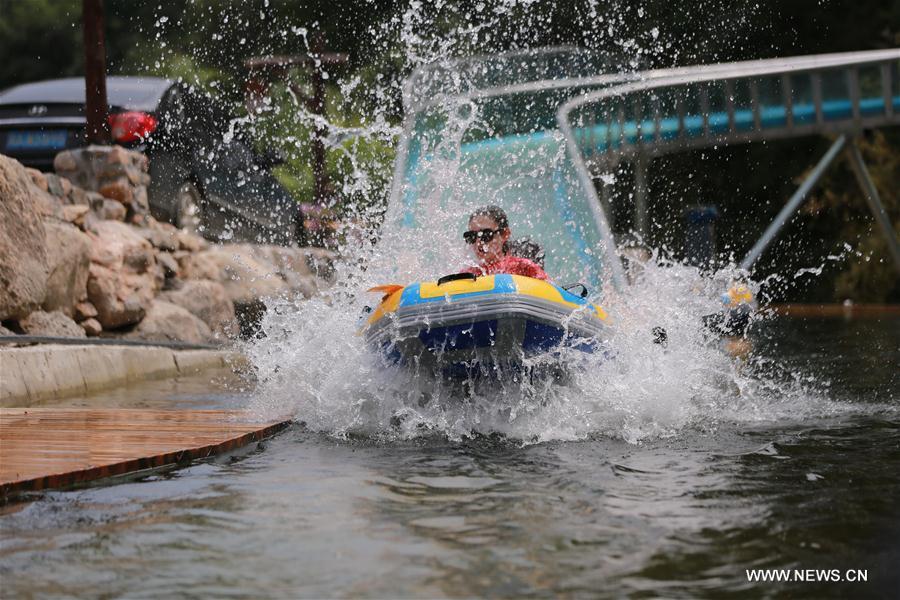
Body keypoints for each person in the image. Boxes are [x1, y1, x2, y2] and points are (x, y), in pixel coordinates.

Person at [461, 205, 549, 281]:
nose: (478, 243)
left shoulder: (524, 267)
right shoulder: (468, 275)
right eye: (472, 236)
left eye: (486, 235)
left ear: (504, 234)